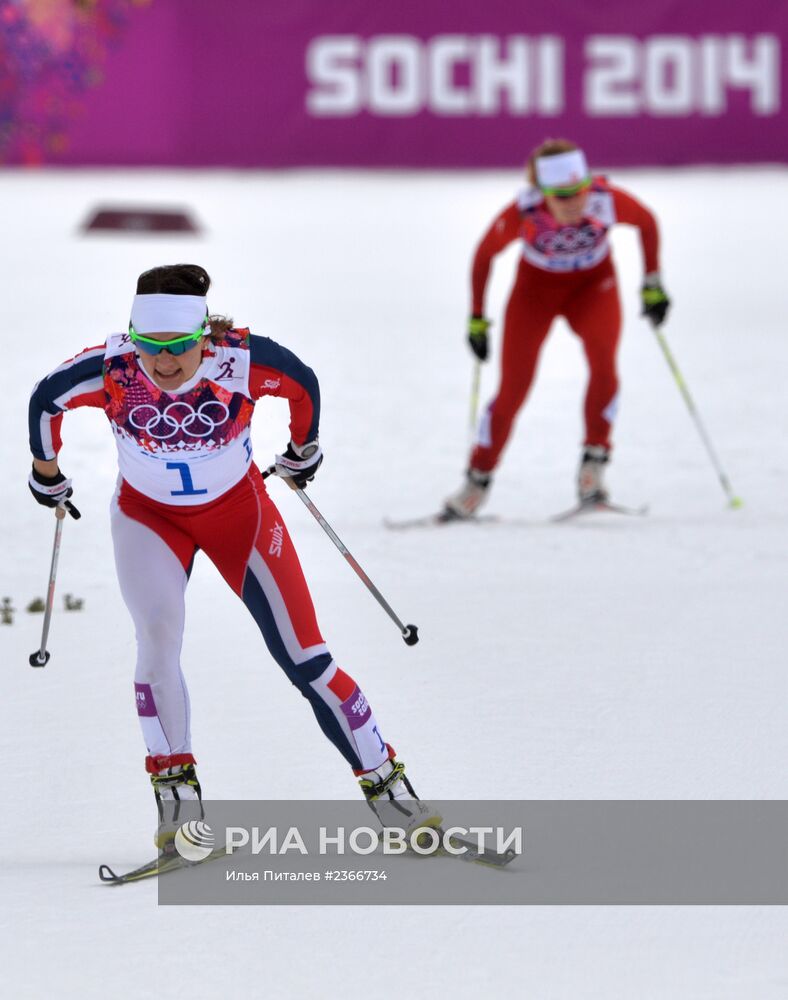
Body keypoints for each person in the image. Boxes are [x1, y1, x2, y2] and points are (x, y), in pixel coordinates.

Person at [28, 263, 436, 846]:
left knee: (305, 657)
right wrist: (46, 475)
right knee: (157, 645)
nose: (164, 364)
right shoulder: (111, 369)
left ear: (203, 337)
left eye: (178, 349)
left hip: (238, 515)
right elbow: (46, 400)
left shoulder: (243, 362)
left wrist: (304, 450)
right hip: (149, 518)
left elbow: (303, 385)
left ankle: (393, 794)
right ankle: (179, 816)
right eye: (149, 349)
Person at [444, 138, 671, 518]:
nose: (575, 202)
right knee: (513, 390)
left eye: (579, 190)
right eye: (562, 195)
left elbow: (647, 221)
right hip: (535, 293)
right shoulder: (524, 211)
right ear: (542, 192)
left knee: (604, 366)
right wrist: (477, 318)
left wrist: (652, 284)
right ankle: (477, 481)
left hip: (593, 288)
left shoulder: (606, 199)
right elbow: (484, 255)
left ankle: (593, 469)